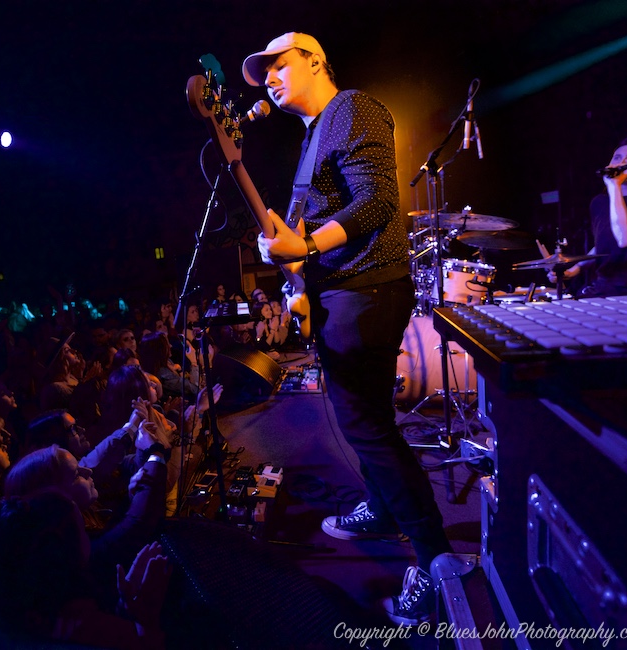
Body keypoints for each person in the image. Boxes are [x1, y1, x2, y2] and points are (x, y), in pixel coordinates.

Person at [243, 32, 452, 624]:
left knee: (368, 426)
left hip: (368, 288)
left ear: (314, 60)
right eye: (263, 73)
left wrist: (305, 242)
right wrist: (292, 266)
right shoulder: (313, 136)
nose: (270, 79)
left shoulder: (353, 108)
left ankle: (436, 558)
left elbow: (377, 202)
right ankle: (386, 511)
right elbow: (308, 229)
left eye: (278, 65)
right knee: (365, 423)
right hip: (339, 292)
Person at [548, 134, 627, 296]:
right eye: (617, 158)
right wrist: (575, 269)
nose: (620, 164)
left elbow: (626, 238)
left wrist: (614, 187)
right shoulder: (599, 202)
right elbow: (604, 243)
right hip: (604, 285)